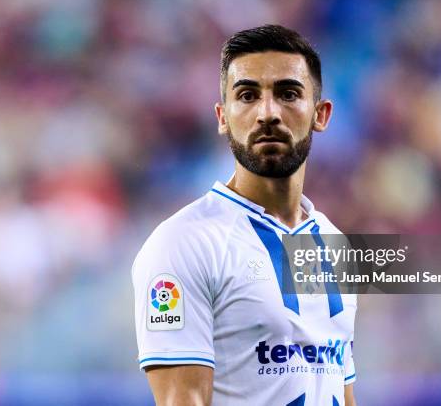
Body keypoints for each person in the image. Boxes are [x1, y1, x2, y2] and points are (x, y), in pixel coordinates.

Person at [132, 24, 357, 406]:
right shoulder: (183, 245)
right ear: (222, 117)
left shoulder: (334, 243)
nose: (268, 113)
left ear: (321, 114)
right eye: (248, 95)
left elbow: (337, 389)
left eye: (288, 94)